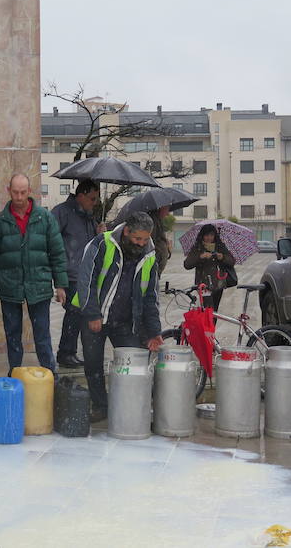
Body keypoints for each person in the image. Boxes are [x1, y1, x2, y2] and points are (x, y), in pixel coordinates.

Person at [74, 212, 164, 422]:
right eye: (137, 239)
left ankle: (130, 406)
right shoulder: (102, 244)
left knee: (133, 362)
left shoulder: (149, 255)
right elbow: (86, 281)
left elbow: (151, 296)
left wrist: (153, 331)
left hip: (125, 321)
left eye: (144, 239)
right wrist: (93, 314)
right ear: (126, 232)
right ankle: (101, 406)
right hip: (95, 316)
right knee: (93, 364)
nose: (141, 243)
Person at [0, 173, 68, 375]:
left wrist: (60, 285)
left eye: (23, 192)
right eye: (15, 192)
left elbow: (58, 253)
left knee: (42, 334)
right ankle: (15, 373)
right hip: (10, 286)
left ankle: (50, 374)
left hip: (40, 285)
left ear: (30, 191)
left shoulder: (45, 218)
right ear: (9, 191)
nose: (18, 197)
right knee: (12, 334)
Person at [51, 179, 103, 368]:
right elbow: (52, 241)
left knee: (80, 313)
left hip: (85, 274)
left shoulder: (89, 216)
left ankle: (69, 351)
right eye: (92, 198)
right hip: (70, 273)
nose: (94, 202)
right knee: (74, 313)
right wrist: (59, 280)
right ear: (80, 195)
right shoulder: (62, 212)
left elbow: (91, 245)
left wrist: (99, 234)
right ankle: (65, 353)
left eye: (96, 199)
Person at [183, 223, 235, 311]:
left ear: (215, 236)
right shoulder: (197, 248)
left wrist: (222, 257)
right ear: (202, 236)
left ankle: (212, 325)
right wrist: (201, 257)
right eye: (206, 235)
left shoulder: (220, 246)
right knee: (207, 310)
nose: (209, 238)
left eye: (211, 235)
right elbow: (187, 264)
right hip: (204, 285)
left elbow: (232, 261)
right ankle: (208, 325)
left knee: (215, 311)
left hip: (218, 284)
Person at [149, 205, 173, 276]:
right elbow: (151, 243)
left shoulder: (157, 221)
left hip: (157, 266)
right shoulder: (152, 222)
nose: (168, 214)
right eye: (167, 210)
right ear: (161, 208)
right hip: (154, 266)